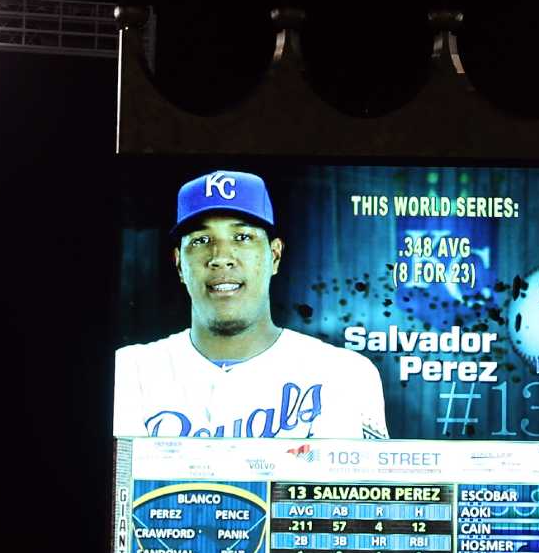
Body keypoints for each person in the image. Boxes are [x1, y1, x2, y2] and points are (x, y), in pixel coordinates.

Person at [113, 170, 389, 439]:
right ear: (179, 265)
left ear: (275, 255)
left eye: (242, 238)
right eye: (201, 240)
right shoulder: (128, 372)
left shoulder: (344, 375)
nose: (220, 257)